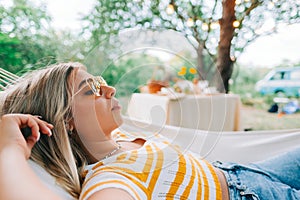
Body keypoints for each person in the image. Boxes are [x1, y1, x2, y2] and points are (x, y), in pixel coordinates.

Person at [0, 62, 299, 200]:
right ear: (67, 120)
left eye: (100, 80)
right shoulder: (110, 181)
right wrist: (8, 151)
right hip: (252, 193)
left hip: (243, 170)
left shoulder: (116, 139)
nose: (110, 89)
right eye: (91, 88)